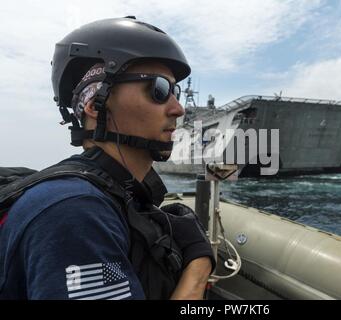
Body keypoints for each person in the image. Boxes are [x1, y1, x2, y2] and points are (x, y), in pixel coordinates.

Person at [0, 16, 215, 300]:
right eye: (159, 89)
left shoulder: (114, 197)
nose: (178, 109)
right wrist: (198, 268)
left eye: (174, 91)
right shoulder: (75, 212)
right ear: (94, 105)